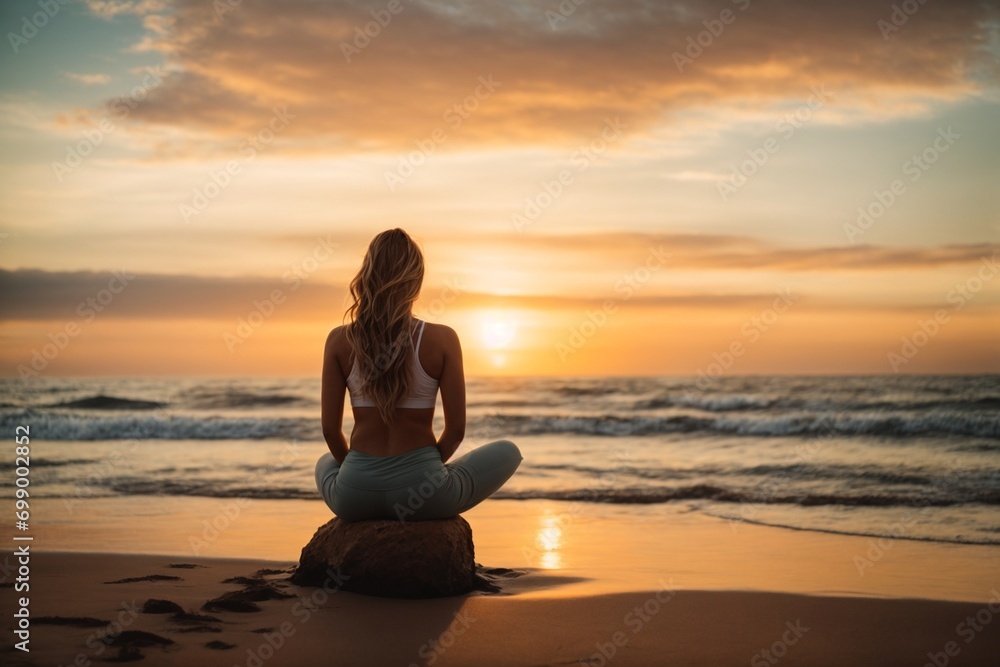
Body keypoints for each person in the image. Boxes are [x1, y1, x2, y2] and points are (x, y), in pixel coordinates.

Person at [314, 228, 522, 522]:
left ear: (367, 275)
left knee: (324, 463)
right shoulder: (443, 339)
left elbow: (329, 432)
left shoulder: (338, 340)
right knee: (509, 451)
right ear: (415, 279)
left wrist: (362, 475)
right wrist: (422, 473)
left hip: (354, 496)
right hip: (423, 495)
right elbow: (455, 432)